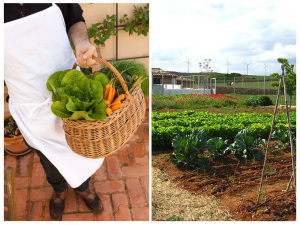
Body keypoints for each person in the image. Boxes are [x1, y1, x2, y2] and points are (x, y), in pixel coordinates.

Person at [4, 3, 104, 220]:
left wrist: (82, 43)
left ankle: (83, 187)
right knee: (47, 159)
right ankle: (59, 190)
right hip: (29, 108)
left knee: (81, 150)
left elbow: (74, 20)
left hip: (72, 96)